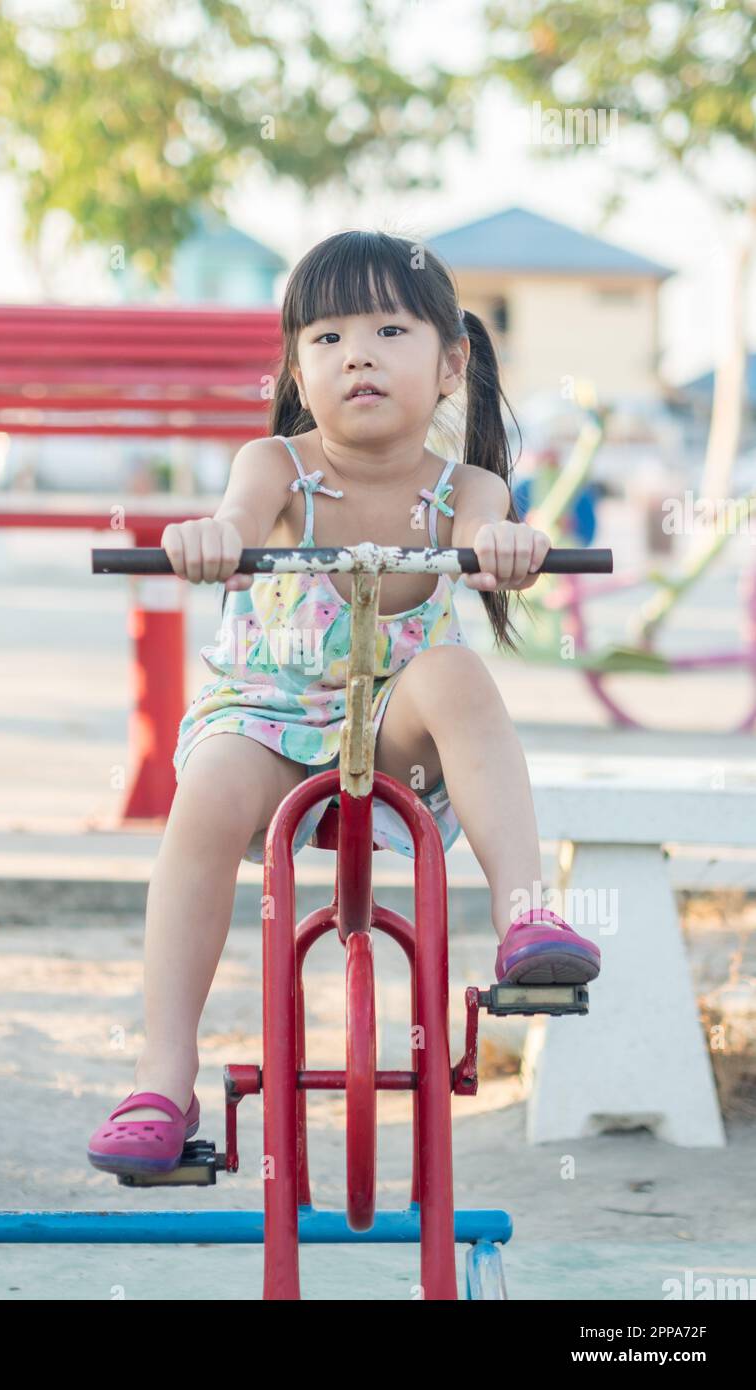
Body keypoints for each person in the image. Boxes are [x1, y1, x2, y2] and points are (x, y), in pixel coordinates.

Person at [87, 230, 601, 1174]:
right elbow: (238, 519)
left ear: (451, 364)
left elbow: (492, 529)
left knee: (458, 672)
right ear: (297, 367)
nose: (354, 352)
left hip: (395, 730)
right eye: (324, 338)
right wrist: (213, 536)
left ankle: (528, 915)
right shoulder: (277, 466)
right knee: (201, 794)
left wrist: (508, 548)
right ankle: (162, 1073)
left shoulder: (467, 487)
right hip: (270, 722)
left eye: (387, 329)